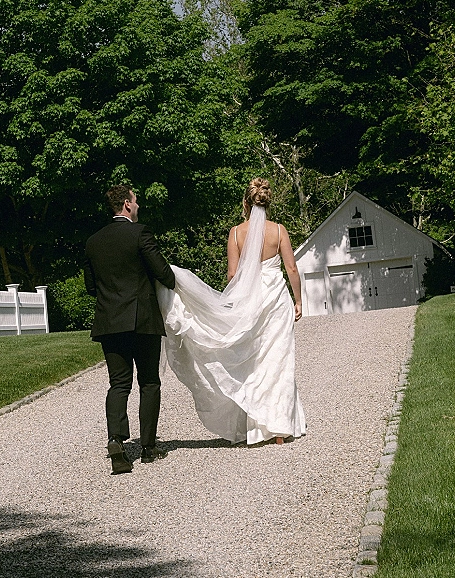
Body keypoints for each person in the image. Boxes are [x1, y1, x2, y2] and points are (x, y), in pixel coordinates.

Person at [157, 178, 306, 446]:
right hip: (276, 299)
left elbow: (232, 274)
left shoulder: (236, 233)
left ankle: (256, 423)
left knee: (252, 361)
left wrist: (234, 302)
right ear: (267, 202)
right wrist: (298, 300)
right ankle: (280, 427)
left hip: (249, 300)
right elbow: (291, 269)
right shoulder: (279, 230)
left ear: (246, 204)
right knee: (278, 359)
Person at [84, 184, 175, 474]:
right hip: (142, 320)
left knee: (119, 383)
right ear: (126, 204)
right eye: (135, 201)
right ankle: (148, 447)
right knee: (149, 382)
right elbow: (163, 273)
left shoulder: (93, 241)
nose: (137, 206)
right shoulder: (140, 233)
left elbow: (90, 286)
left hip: (109, 321)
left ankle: (116, 441)